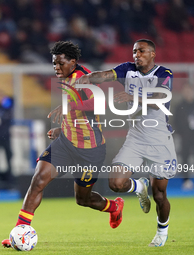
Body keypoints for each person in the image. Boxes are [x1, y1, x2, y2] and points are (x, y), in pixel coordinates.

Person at [2, 41, 124, 248]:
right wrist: (63, 128)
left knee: (83, 199)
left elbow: (99, 103)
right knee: (38, 180)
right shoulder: (67, 79)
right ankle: (19, 231)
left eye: (60, 63)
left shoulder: (83, 78)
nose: (56, 68)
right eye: (54, 64)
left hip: (90, 151)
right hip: (66, 144)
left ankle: (113, 207)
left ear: (73, 61)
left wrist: (68, 106)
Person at [76, 39, 177, 247]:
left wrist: (134, 97)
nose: (136, 55)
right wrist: (86, 78)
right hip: (135, 139)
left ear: (152, 54)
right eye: (134, 51)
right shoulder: (127, 70)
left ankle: (162, 231)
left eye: (141, 51)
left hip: (159, 141)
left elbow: (160, 98)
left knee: (159, 195)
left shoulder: (163, 74)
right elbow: (105, 75)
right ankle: (139, 185)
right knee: (115, 183)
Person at [174, 84, 194, 190]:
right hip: (185, 137)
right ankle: (186, 180)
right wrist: (182, 133)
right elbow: (176, 121)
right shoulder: (180, 106)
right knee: (185, 159)